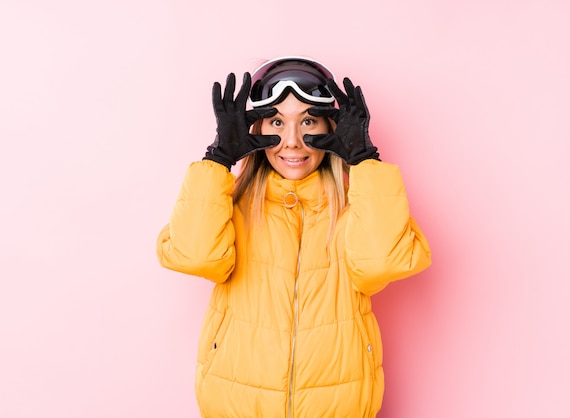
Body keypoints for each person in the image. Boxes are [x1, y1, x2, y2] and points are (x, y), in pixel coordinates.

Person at [157, 56, 432, 417]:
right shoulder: (231, 206)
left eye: (307, 122)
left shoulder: (356, 208)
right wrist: (218, 159)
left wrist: (365, 161)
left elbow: (382, 264)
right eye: (276, 122)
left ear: (332, 128)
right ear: (255, 130)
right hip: (236, 404)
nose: (292, 141)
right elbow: (194, 256)